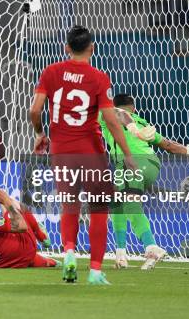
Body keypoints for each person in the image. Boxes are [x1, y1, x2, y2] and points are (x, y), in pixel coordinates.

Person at [29, 25, 136, 285]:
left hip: (61, 152)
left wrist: (40, 133)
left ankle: (68, 253)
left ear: (67, 48)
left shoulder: (50, 72)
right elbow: (111, 120)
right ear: (92, 48)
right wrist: (127, 153)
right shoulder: (99, 77)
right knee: (99, 208)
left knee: (70, 205)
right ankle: (96, 271)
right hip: (91, 152)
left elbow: (35, 110)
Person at [98, 93, 189, 270]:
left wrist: (132, 128)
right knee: (116, 202)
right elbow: (167, 145)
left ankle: (151, 246)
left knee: (131, 204)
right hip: (151, 164)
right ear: (134, 107)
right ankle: (121, 254)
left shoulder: (112, 115)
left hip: (131, 162)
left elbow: (119, 113)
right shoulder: (143, 122)